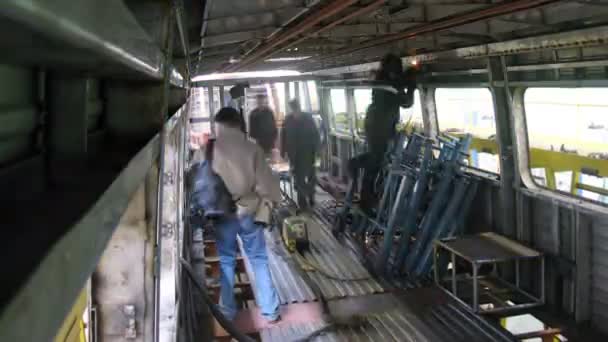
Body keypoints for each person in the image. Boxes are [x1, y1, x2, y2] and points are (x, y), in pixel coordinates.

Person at [206, 107, 282, 323]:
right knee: (258, 259)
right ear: (239, 125)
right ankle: (271, 311)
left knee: (227, 261)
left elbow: (197, 182)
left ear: (218, 125)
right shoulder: (252, 149)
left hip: (221, 215)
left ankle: (228, 312)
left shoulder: (208, 149)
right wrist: (266, 207)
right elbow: (267, 187)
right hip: (248, 212)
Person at [349, 53, 417, 215]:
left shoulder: (383, 80)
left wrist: (409, 75)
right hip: (380, 126)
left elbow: (399, 82)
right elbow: (407, 102)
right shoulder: (390, 85)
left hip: (375, 123)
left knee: (376, 158)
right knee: (375, 163)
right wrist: (412, 87)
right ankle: (365, 200)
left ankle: (357, 166)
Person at [281, 99, 320, 210]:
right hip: (294, 155)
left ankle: (311, 196)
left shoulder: (308, 118)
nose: (295, 110)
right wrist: (283, 153)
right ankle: (302, 203)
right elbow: (283, 136)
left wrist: (317, 151)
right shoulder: (287, 120)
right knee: (298, 179)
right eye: (294, 108)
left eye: (296, 108)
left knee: (312, 176)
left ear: (299, 107)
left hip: (309, 152)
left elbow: (315, 134)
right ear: (291, 108)